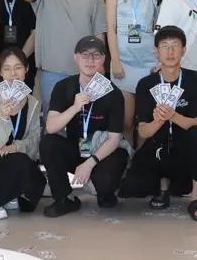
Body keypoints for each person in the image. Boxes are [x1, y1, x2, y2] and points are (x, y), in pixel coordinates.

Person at [119, 26, 197, 221]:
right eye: (164, 46)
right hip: (158, 149)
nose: (170, 52)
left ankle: (196, 197)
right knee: (132, 189)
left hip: (185, 150)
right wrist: (159, 120)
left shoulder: (194, 79)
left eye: (175, 46)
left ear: (183, 50)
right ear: (156, 51)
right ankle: (162, 188)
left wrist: (173, 116)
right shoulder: (146, 84)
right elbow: (143, 131)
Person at [41, 36, 130, 217]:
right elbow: (50, 127)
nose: (90, 60)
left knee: (107, 177)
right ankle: (63, 199)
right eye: (85, 55)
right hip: (76, 148)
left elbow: (114, 140)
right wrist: (74, 108)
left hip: (102, 152)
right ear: (76, 57)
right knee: (48, 143)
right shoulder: (64, 87)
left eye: (96, 55)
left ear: (103, 59)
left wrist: (90, 164)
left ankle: (106, 193)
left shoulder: (113, 94)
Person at [19, 0, 107, 101]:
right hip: (51, 71)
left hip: (86, 69)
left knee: (85, 115)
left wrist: (99, 63)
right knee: (53, 117)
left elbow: (99, 32)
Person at [0, 47, 45, 220]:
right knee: (19, 163)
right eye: (7, 69)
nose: (13, 74)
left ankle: (9, 193)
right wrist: (3, 118)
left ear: (26, 69)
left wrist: (14, 147)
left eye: (18, 67)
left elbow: (34, 140)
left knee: (36, 184)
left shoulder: (33, 103)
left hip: (16, 158)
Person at [105, 0, 159, 140]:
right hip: (123, 61)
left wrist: (159, 60)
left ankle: (145, 158)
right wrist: (115, 61)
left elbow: (159, 25)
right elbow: (110, 27)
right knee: (126, 121)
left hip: (149, 61)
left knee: (147, 121)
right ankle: (127, 156)